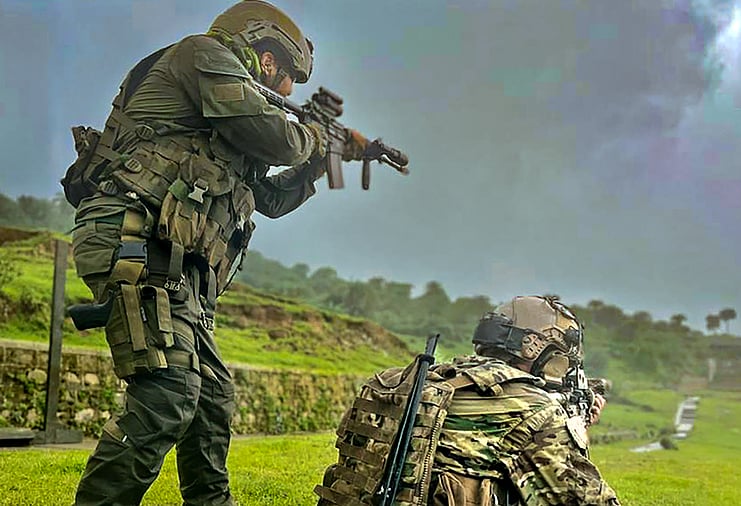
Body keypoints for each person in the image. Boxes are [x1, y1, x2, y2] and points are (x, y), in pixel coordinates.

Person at [65, 2, 369, 504]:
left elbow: (269, 200)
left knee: (210, 401)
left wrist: (323, 161)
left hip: (173, 260)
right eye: (286, 76)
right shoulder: (200, 56)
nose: (286, 91)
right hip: (131, 237)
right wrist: (320, 138)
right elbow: (283, 139)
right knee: (167, 393)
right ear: (265, 55)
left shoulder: (228, 118)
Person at [316, 295, 621, 506]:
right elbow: (580, 497)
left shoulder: (413, 381)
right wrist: (577, 431)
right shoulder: (534, 408)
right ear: (535, 348)